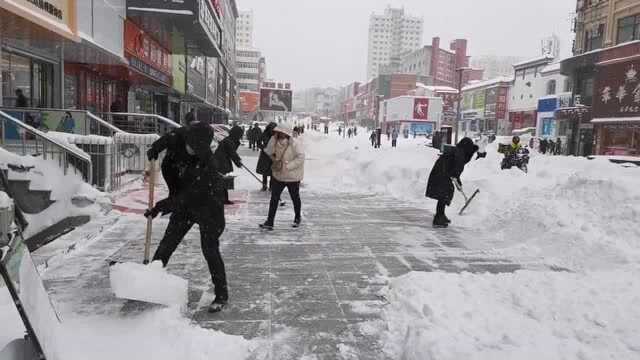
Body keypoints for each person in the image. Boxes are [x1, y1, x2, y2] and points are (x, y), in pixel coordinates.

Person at [145, 121, 228, 313]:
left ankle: (221, 294)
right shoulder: (180, 136)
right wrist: (155, 149)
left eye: (197, 149)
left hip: (208, 206)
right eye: (191, 146)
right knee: (167, 244)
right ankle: (150, 282)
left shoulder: (208, 163)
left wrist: (160, 206)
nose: (192, 150)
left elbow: (189, 195)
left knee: (210, 250)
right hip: (183, 201)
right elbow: (168, 139)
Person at [259, 123, 305, 230]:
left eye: (281, 132)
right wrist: (272, 140)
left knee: (295, 198)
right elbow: (268, 152)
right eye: (277, 132)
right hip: (278, 175)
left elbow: (301, 157)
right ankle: (270, 221)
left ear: (286, 133)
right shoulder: (274, 141)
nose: (279, 134)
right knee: (274, 199)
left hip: (291, 177)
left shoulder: (294, 143)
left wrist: (289, 166)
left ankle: (297, 217)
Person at [425, 137, 478, 228]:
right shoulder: (460, 153)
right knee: (444, 194)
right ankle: (438, 218)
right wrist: (458, 181)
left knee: (444, 193)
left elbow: (454, 169)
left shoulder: (459, 151)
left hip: (441, 172)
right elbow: (456, 170)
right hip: (441, 173)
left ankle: (441, 214)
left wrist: (457, 180)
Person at [147, 124, 195, 198]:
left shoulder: (202, 139)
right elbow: (163, 141)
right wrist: (154, 150)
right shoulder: (175, 136)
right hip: (171, 165)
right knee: (175, 191)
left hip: (189, 166)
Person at [214, 125, 244, 205]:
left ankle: (224, 199)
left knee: (223, 181)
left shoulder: (230, 140)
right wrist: (238, 162)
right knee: (222, 181)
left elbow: (233, 152)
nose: (240, 136)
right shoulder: (228, 141)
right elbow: (233, 153)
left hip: (223, 161)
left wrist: (238, 161)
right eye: (240, 134)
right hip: (221, 162)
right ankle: (223, 199)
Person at [256, 122, 278, 191]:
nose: (272, 130)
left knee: (273, 172)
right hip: (265, 155)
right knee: (264, 171)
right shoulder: (264, 134)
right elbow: (258, 143)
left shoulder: (277, 135)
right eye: (271, 128)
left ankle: (271, 187)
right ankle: (264, 186)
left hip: (273, 155)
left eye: (273, 128)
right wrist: (263, 148)